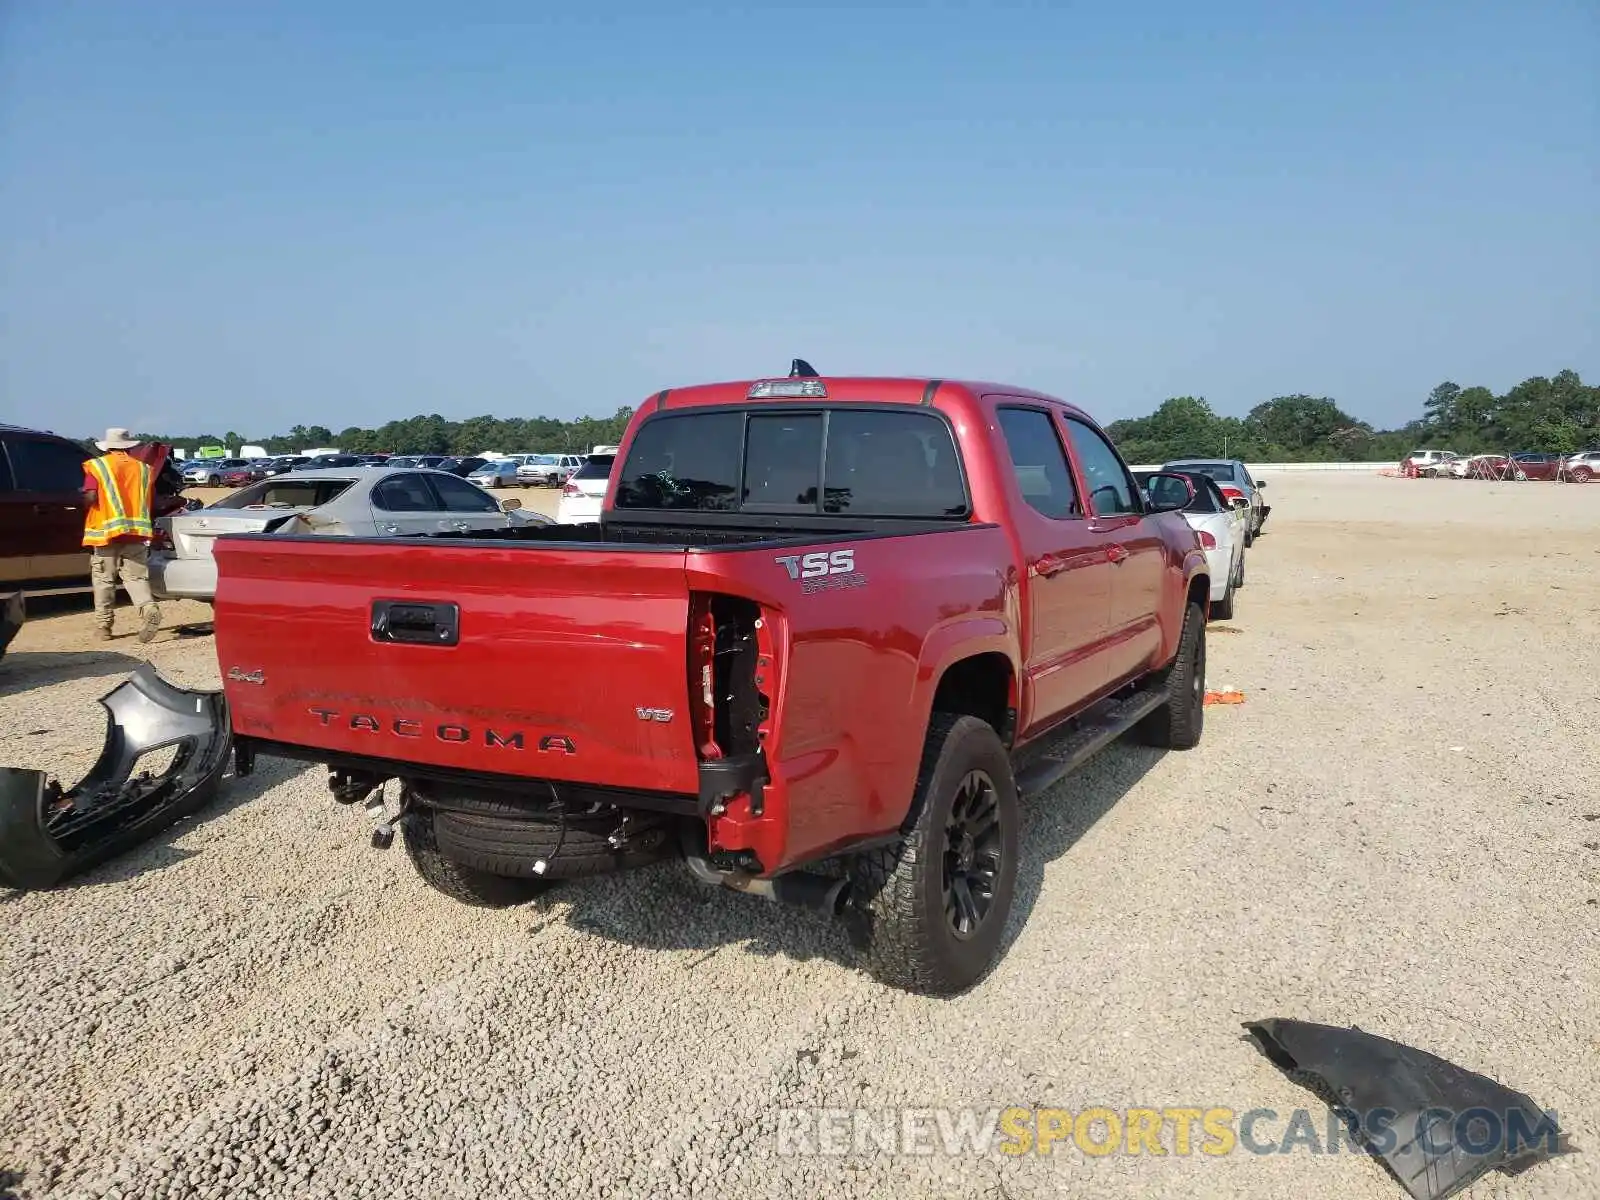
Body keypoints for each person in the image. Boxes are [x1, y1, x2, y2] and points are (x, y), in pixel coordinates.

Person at [81, 427, 163, 643]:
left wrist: (83, 503)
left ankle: (104, 627)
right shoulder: (144, 469)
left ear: (107, 447)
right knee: (136, 578)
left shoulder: (98, 466)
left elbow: (90, 496)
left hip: (107, 534)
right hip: (136, 534)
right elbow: (150, 501)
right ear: (130, 447)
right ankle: (148, 608)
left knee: (104, 580)